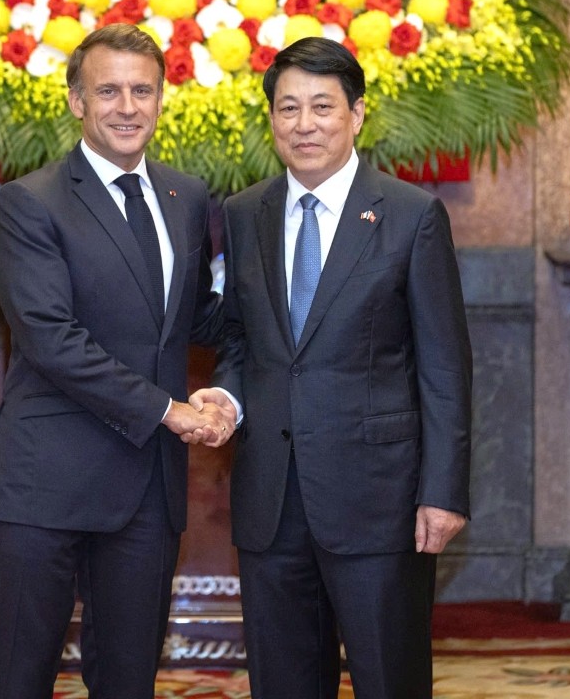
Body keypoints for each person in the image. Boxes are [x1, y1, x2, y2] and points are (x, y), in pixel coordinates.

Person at [196, 37, 472, 698]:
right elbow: (240, 342)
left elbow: (444, 365)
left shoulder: (411, 216)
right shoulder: (243, 213)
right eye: (288, 108)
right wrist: (228, 399)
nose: (305, 124)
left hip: (379, 498)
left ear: (357, 113)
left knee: (389, 679)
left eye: (322, 106)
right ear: (272, 119)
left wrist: (443, 490)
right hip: (271, 498)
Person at [0, 23, 235, 699]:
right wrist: (169, 411)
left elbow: (196, 317)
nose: (126, 106)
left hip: (148, 488)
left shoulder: (186, 197)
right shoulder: (30, 201)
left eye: (141, 91)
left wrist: (288, 311)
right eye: (108, 91)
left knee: (128, 681)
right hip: (46, 483)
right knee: (20, 677)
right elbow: (50, 339)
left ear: (161, 99)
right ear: (76, 101)